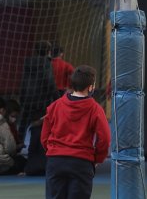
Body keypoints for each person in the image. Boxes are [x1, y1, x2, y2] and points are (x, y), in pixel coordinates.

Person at [41, 65, 111, 199]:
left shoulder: (55, 106)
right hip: (81, 162)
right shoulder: (95, 109)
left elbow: (44, 135)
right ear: (91, 86)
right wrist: (97, 158)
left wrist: (52, 151)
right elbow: (105, 138)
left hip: (55, 161)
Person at [18, 40, 58, 143]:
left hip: (27, 96)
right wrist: (57, 97)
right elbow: (48, 81)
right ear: (49, 51)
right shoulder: (46, 63)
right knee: (42, 124)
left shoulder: (28, 61)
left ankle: (18, 144)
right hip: (42, 98)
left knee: (23, 123)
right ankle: (38, 147)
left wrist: (22, 96)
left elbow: (23, 80)